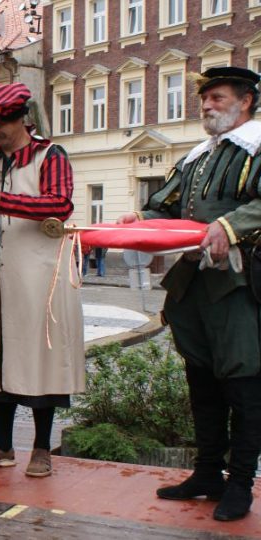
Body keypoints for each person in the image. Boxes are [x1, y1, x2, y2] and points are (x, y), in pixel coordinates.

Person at [117, 67, 261, 522]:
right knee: (201, 382)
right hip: (194, 282)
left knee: (243, 385)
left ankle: (240, 484)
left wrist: (228, 225)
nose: (206, 106)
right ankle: (206, 473)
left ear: (247, 102)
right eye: (204, 100)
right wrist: (138, 218)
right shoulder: (197, 158)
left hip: (240, 284)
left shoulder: (257, 150)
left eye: (217, 98)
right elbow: (165, 204)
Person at [0, 83, 84, 478]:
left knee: (39, 358)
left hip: (40, 275)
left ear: (19, 119)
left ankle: (42, 448)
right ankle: (3, 445)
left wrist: (6, 202)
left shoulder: (50, 155)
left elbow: (61, 205)